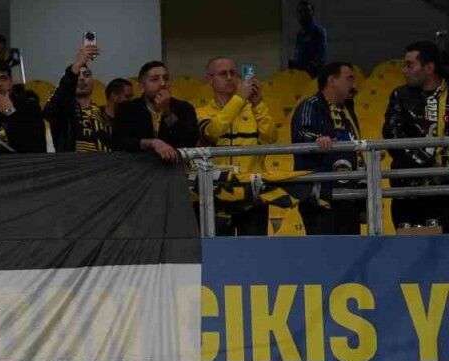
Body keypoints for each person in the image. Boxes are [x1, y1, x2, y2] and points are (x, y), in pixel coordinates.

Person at [196, 57, 278, 235]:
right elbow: (212, 131)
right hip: (216, 195)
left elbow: (271, 137)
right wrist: (239, 98)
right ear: (209, 79)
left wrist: (258, 103)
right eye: (223, 74)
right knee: (217, 251)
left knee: (253, 251)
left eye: (233, 73)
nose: (229, 78)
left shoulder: (254, 109)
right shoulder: (201, 113)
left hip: (252, 194)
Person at [291, 61, 361, 235]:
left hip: (347, 197)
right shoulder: (311, 104)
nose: (354, 85)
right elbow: (302, 133)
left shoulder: (346, 111)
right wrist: (317, 140)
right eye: (349, 78)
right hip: (320, 200)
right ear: (332, 81)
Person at [383, 41, 447, 227]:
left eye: (409, 65)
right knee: (411, 244)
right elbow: (391, 132)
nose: (404, 70)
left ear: (429, 68)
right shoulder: (400, 95)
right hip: (408, 191)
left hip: (445, 191)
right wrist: (424, 162)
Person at [113, 61, 199, 162]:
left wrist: (167, 112)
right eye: (155, 79)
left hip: (174, 165)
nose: (163, 84)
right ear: (142, 86)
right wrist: (151, 143)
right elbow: (119, 143)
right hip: (138, 165)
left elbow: (190, 142)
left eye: (166, 78)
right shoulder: (127, 108)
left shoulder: (184, 108)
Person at [44, 41, 114, 153]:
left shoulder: (104, 114)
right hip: (73, 163)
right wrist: (74, 68)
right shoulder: (62, 112)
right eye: (78, 75)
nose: (81, 78)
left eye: (86, 75)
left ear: (93, 82)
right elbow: (52, 108)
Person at [291, 0, 328, 78]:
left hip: (314, 76)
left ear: (312, 12)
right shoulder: (299, 34)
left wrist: (313, 67)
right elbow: (298, 54)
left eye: (307, 11)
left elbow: (321, 56)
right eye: (300, 12)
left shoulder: (319, 31)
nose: (303, 14)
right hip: (300, 76)